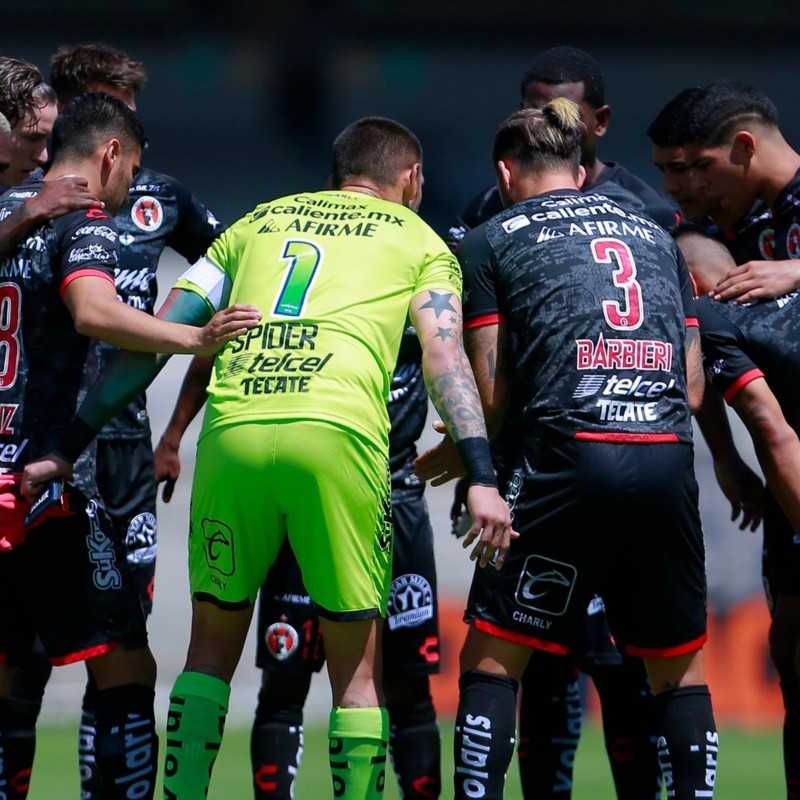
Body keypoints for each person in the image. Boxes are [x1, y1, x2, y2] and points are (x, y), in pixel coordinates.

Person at [21, 115, 515, 800]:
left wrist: (65, 446)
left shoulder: (253, 225)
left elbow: (159, 335)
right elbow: (444, 359)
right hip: (337, 442)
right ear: (409, 178)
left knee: (207, 658)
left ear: (336, 175)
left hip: (235, 438)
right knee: (359, 678)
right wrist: (482, 474)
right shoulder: (421, 239)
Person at [419, 98, 716, 800]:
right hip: (666, 453)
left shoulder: (491, 237)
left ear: (504, 171)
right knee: (677, 668)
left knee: (494, 658)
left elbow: (490, 387)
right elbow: (695, 386)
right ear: (582, 170)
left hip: (565, 461)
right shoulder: (656, 237)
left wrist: (472, 459)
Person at [0, 93, 259, 800]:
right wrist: (192, 338)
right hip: (42, 486)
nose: (129, 187)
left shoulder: (8, 207)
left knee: (10, 669)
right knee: (125, 665)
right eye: (133, 167)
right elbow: (93, 310)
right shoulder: (84, 217)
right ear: (112, 155)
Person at [154, 327, 443, 800]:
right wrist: (172, 433)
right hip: (311, 484)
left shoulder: (422, 258)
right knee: (286, 682)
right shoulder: (306, 273)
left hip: (396, 491)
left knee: (408, 687)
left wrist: (479, 455)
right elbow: (220, 338)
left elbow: (460, 349)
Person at [0, 56, 101, 260]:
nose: (43, 156)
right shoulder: (41, 202)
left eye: (46, 139)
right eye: (32, 137)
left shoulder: (43, 186)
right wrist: (34, 210)